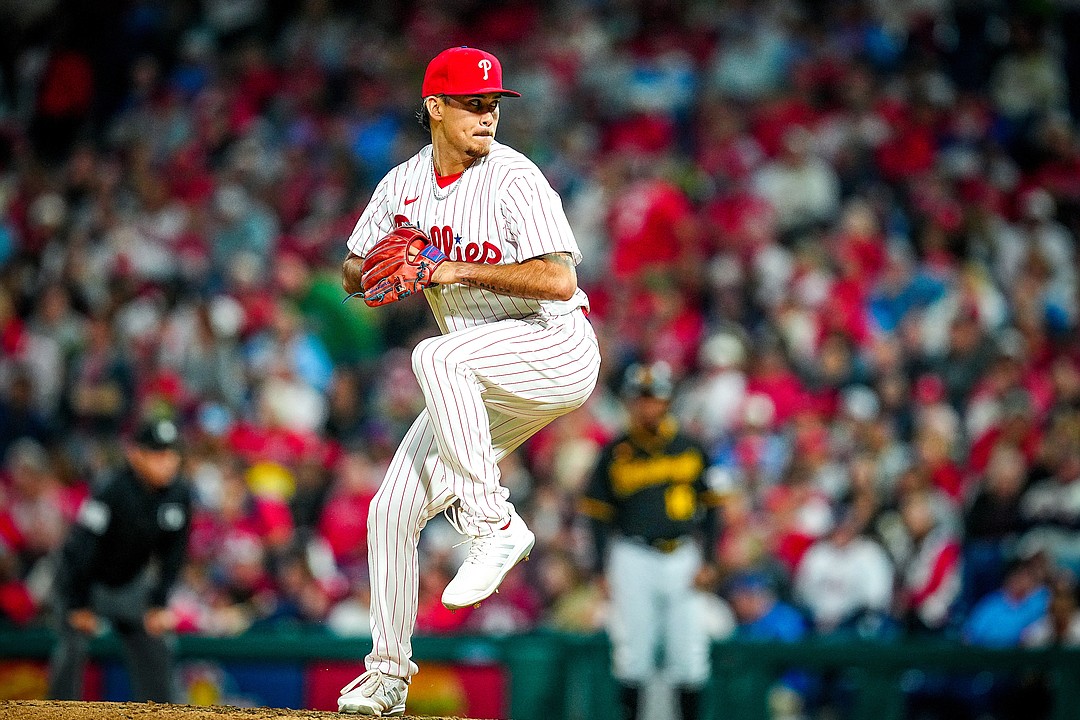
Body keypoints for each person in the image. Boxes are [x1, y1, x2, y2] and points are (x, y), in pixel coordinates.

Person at [337, 46, 601, 716]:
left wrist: (451, 270)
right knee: (390, 511)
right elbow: (350, 269)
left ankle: (493, 523)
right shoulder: (401, 187)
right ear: (435, 107)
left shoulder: (515, 179)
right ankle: (387, 677)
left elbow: (559, 279)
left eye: (493, 104)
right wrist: (381, 265)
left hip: (555, 348)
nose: (488, 116)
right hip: (478, 382)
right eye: (473, 104)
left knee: (434, 358)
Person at [580, 361, 720, 720]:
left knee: (689, 653)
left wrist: (712, 561)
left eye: (654, 397)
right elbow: (597, 515)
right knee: (632, 653)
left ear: (667, 401)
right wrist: (599, 567)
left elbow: (714, 508)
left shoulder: (691, 447)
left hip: (683, 556)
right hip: (633, 555)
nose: (647, 406)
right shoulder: (614, 452)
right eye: (640, 399)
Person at [49, 417, 192, 702]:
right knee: (72, 647)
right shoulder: (111, 489)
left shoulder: (179, 493)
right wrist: (78, 603)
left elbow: (174, 554)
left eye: (172, 453)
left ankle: (165, 712)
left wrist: (158, 602)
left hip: (129, 583)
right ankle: (56, 712)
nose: (168, 462)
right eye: (158, 453)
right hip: (84, 581)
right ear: (135, 454)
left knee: (158, 643)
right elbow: (82, 549)